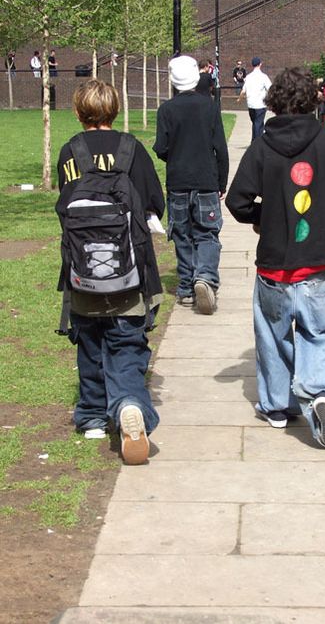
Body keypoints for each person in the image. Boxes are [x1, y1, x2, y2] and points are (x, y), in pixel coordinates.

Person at [226, 67, 325, 450]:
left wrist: (263, 219)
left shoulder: (263, 146)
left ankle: (277, 406)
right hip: (319, 262)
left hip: (274, 264)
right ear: (313, 101)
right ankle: (320, 393)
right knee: (323, 332)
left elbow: (237, 201)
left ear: (273, 103)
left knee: (272, 335)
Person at [55, 79, 165, 464]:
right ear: (115, 110)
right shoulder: (132, 150)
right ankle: (129, 404)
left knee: (89, 342)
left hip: (81, 270)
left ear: (78, 112)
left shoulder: (71, 152)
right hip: (130, 272)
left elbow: (64, 206)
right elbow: (155, 202)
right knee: (126, 344)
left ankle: (91, 417)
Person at [153, 55, 229, 314]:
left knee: (182, 234)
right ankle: (205, 276)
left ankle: (186, 288)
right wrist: (222, 180)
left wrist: (173, 155)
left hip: (178, 181)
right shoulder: (209, 107)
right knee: (207, 233)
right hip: (206, 180)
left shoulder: (166, 110)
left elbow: (161, 147)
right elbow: (220, 146)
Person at [237, 56, 272, 141]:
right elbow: (271, 89)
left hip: (251, 104)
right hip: (260, 104)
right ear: (260, 64)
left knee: (256, 123)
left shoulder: (248, 77)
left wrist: (239, 99)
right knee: (258, 123)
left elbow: (243, 91)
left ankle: (257, 140)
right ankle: (256, 142)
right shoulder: (263, 77)